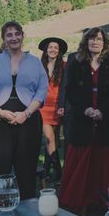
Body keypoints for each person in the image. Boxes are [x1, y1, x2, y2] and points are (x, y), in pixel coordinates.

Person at [0, 21, 48, 206]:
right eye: (9, 35)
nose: (13, 38)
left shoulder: (34, 62)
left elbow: (42, 90)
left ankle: (27, 212)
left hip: (28, 120)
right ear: (3, 39)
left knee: (26, 170)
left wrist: (26, 114)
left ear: (22, 35)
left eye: (17, 33)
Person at [58, 28, 109, 212]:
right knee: (82, 159)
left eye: (99, 39)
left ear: (104, 43)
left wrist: (102, 110)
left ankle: (105, 202)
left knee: (104, 160)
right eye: (92, 39)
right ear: (86, 42)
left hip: (107, 118)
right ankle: (80, 199)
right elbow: (70, 89)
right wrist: (85, 109)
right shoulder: (76, 61)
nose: (95, 42)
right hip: (82, 118)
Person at [38, 37, 67, 181]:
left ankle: (45, 172)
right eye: (50, 47)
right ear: (46, 50)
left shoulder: (64, 66)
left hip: (58, 107)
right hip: (43, 107)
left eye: (56, 47)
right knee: (50, 139)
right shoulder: (39, 65)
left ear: (59, 51)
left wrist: (63, 105)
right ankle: (59, 171)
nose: (53, 50)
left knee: (52, 141)